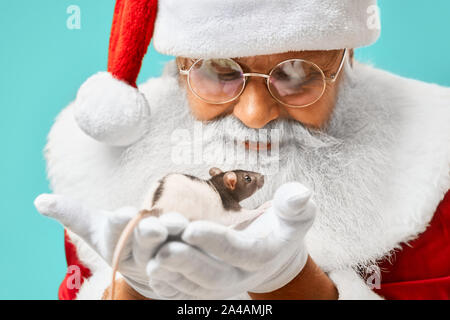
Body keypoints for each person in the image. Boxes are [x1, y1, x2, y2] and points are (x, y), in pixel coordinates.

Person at [35, 0, 450, 300]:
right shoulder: (104, 165)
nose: (254, 115)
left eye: (299, 72)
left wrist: (296, 287)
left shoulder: (429, 159)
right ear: (180, 66)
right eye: (218, 69)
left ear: (346, 60)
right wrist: (135, 293)